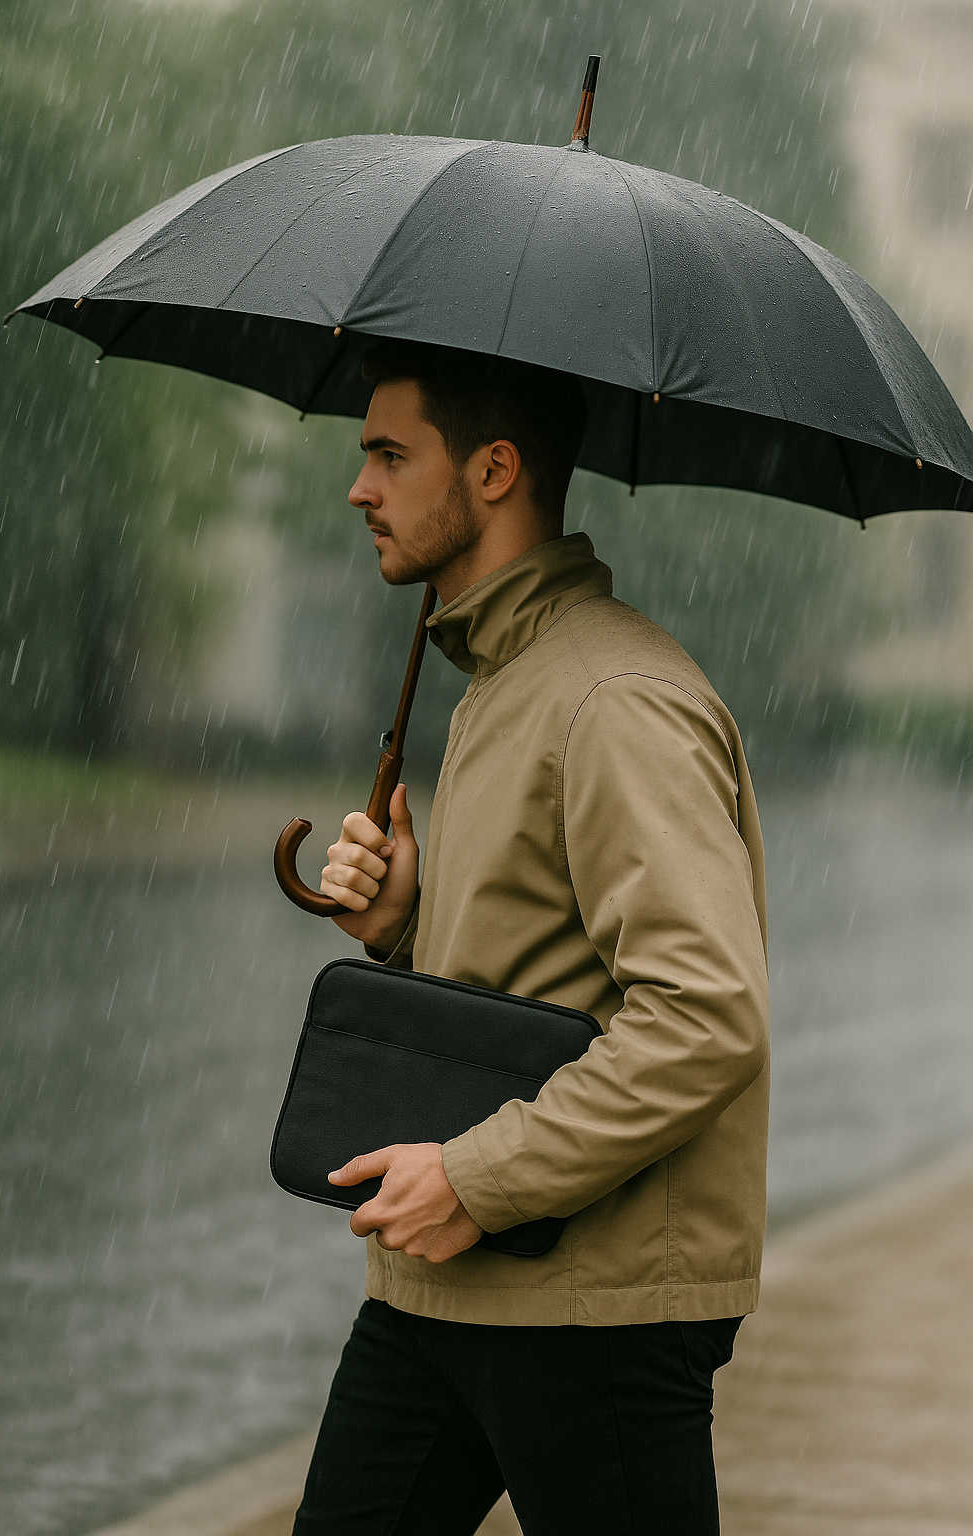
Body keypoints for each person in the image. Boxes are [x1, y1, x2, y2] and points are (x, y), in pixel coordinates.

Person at [292, 341, 769, 1536]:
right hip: (439, 1287)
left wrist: (474, 1178)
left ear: (494, 470)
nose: (359, 488)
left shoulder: (616, 699)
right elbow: (533, 980)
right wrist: (403, 928)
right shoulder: (500, 678)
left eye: (389, 455)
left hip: (595, 1310)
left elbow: (706, 1018)